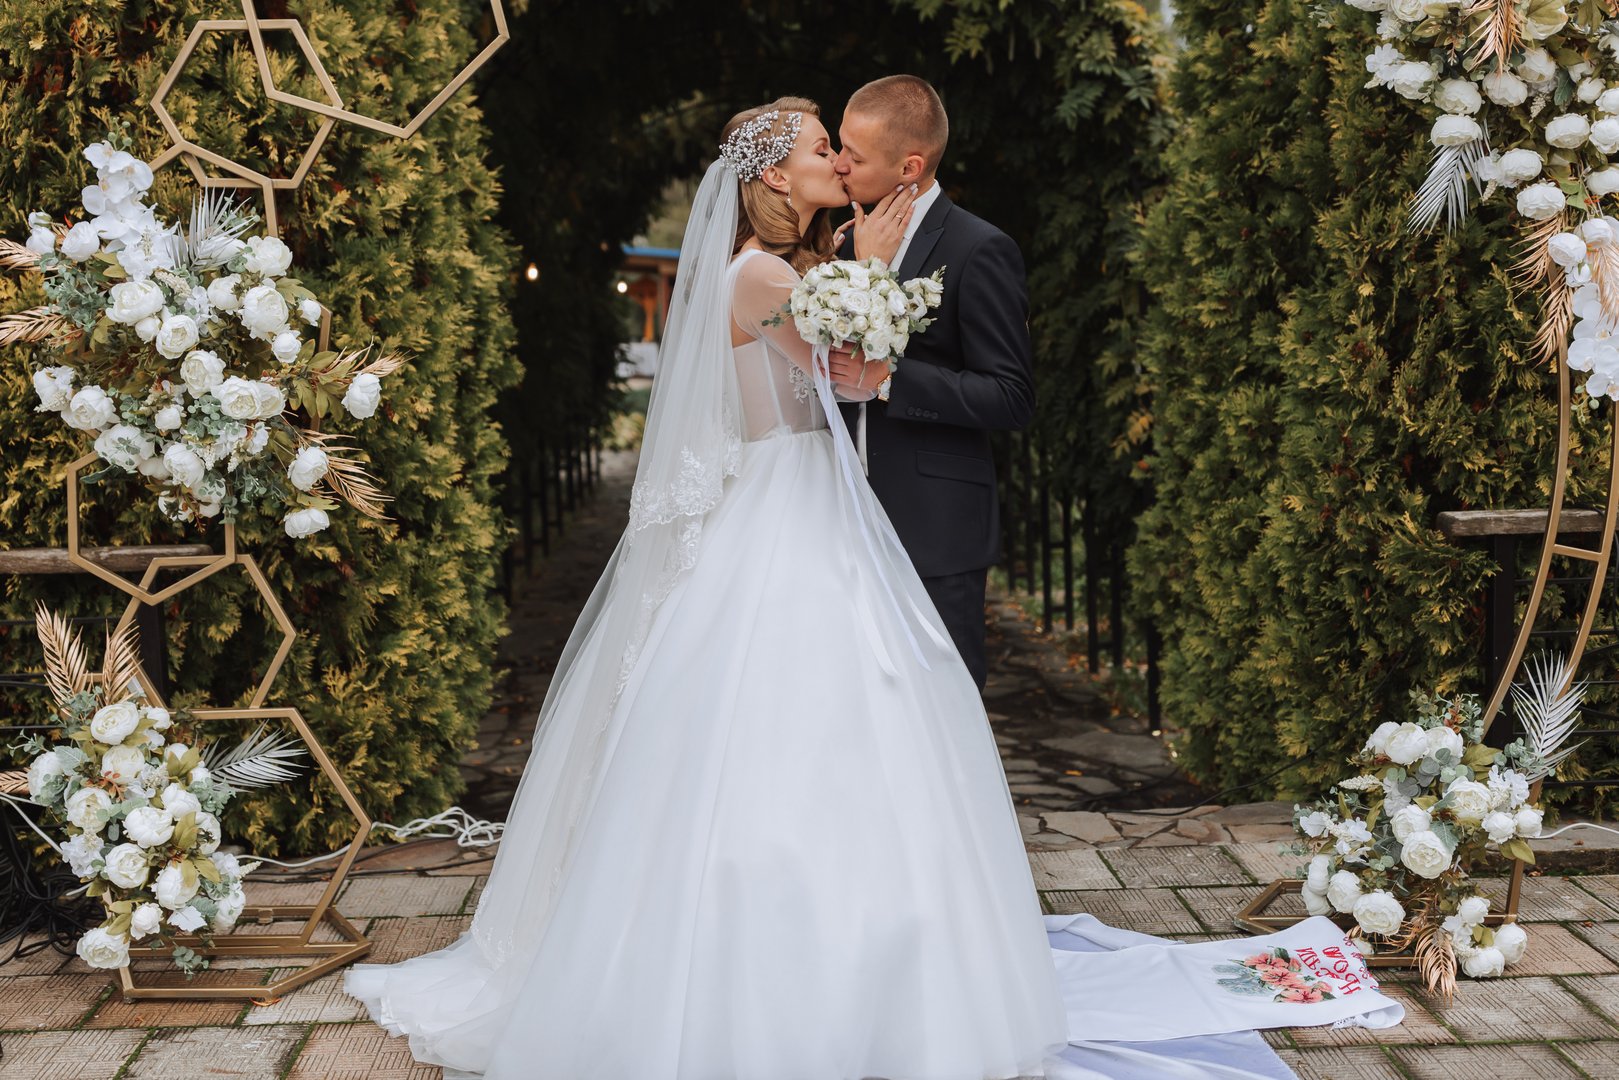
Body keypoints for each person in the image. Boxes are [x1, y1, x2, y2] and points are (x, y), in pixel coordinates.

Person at [344, 96, 1071, 1079]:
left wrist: (856, 272)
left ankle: (875, 956)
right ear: (773, 175)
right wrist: (869, 277)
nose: (837, 163)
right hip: (785, 504)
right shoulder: (759, 275)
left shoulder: (797, 265)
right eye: (822, 149)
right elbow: (840, 363)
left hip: (824, 501)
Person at [829, 75, 1035, 691]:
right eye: (839, 146)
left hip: (935, 528)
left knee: (946, 707)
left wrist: (890, 379)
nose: (838, 164)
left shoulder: (980, 248)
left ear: (909, 167)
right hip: (836, 518)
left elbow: (1011, 396)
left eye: (854, 155)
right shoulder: (842, 246)